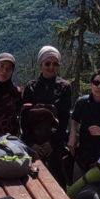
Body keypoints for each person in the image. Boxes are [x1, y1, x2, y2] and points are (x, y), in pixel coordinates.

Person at [21, 45, 74, 176]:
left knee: (56, 181)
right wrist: (31, 144)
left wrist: (52, 144)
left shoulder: (64, 87)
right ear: (41, 64)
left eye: (55, 64)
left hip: (54, 144)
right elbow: (24, 117)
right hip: (32, 143)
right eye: (48, 63)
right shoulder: (31, 87)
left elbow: (64, 118)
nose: (51, 67)